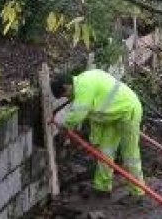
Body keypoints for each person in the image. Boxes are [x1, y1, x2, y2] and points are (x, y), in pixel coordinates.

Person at [50, 69, 144, 203]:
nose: (68, 99)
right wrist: (94, 138)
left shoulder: (84, 87)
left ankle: (137, 192)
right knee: (105, 152)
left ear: (66, 86)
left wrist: (63, 125)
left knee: (130, 155)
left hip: (128, 111)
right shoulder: (82, 83)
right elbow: (93, 113)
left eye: (65, 95)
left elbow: (77, 115)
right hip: (111, 117)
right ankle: (102, 188)